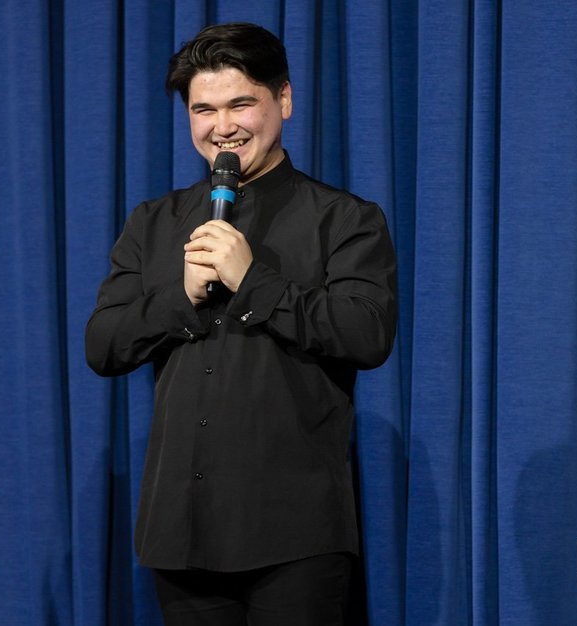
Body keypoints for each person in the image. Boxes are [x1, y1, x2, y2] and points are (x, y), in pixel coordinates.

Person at [85, 22, 397, 625]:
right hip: (182, 531)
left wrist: (253, 281)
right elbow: (103, 346)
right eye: (203, 110)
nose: (222, 127)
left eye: (240, 104)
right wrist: (180, 296)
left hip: (293, 533)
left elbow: (367, 335)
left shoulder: (344, 218)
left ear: (284, 99)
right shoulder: (154, 221)